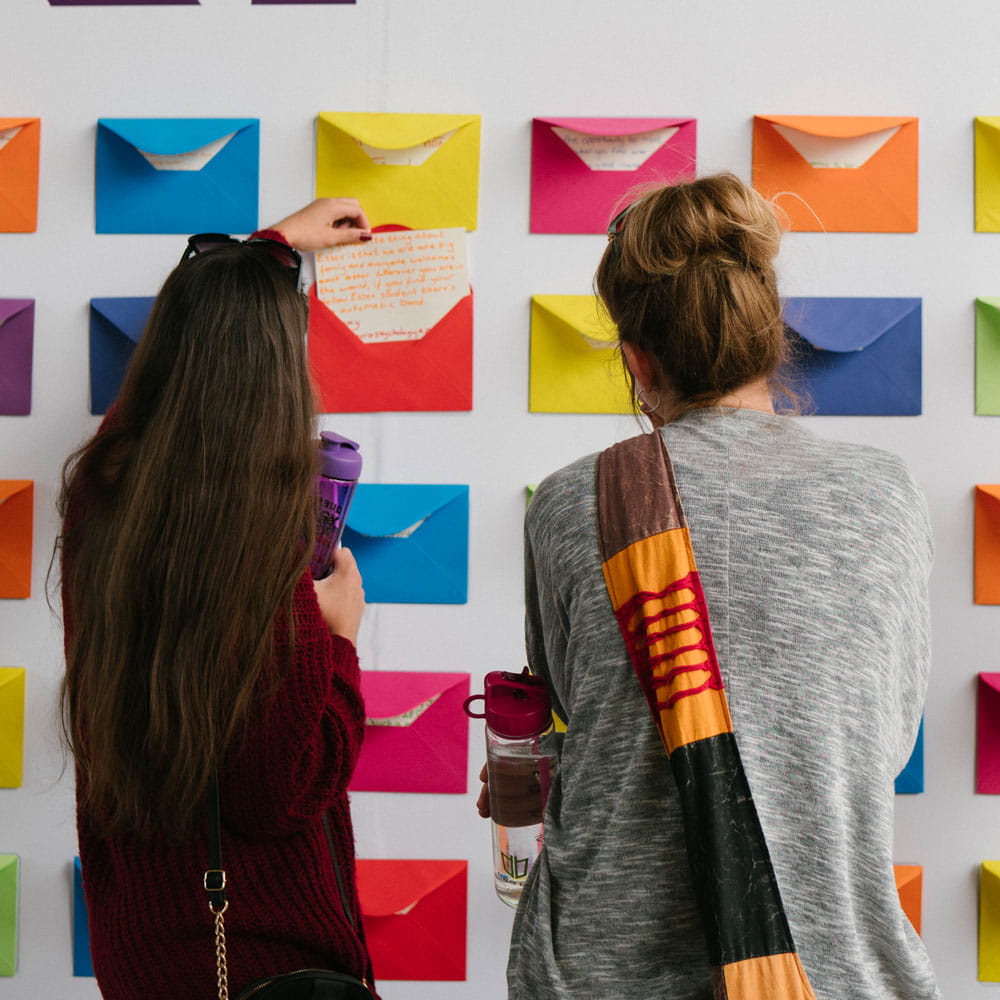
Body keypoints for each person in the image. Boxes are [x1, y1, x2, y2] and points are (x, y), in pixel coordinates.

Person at [499, 174, 941, 999]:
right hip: (833, 968)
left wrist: (553, 762)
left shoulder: (570, 503)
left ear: (636, 360)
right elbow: (881, 738)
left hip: (600, 975)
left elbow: (591, 708)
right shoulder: (884, 493)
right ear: (769, 333)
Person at [58, 199, 377, 999]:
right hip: (262, 960)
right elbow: (284, 791)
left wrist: (266, 252)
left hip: (140, 951)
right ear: (277, 381)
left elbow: (150, 397)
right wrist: (338, 645)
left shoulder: (102, 497)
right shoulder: (265, 551)